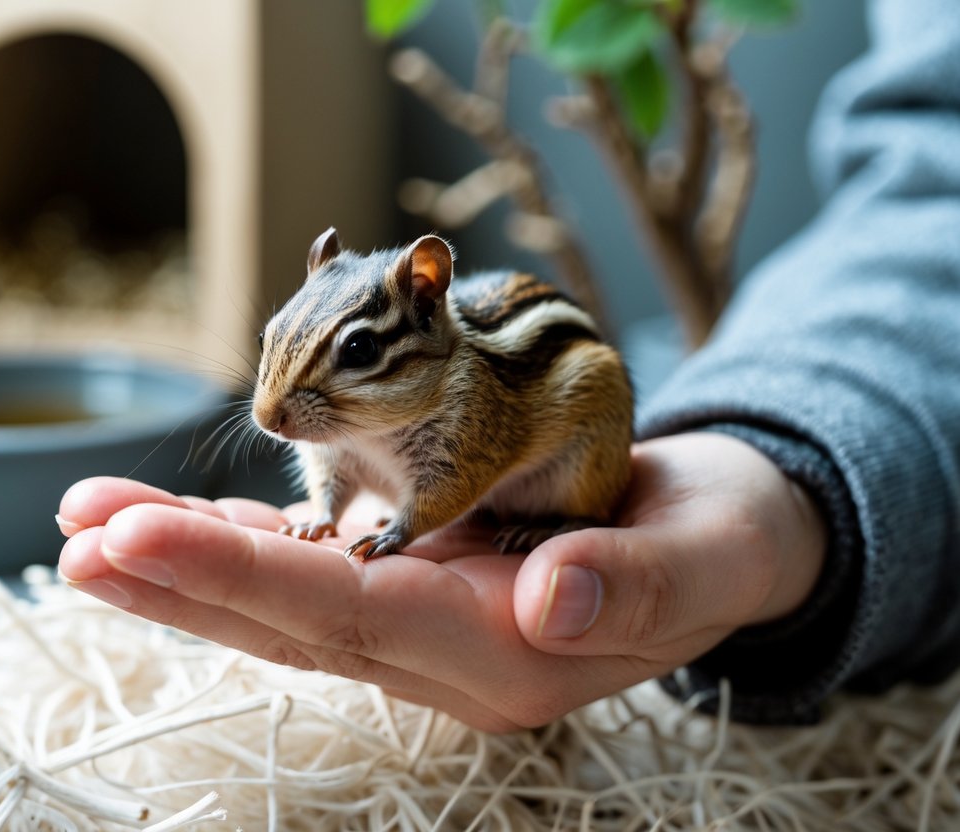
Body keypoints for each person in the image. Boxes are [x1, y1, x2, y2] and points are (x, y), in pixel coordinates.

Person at [56, 0, 960, 731]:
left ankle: (563, 508)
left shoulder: (464, 393)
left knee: (584, 383)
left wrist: (405, 528)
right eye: (274, 366)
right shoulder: (318, 397)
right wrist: (325, 511)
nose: (277, 413)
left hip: (562, 438)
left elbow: (455, 473)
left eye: (355, 359)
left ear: (427, 301)